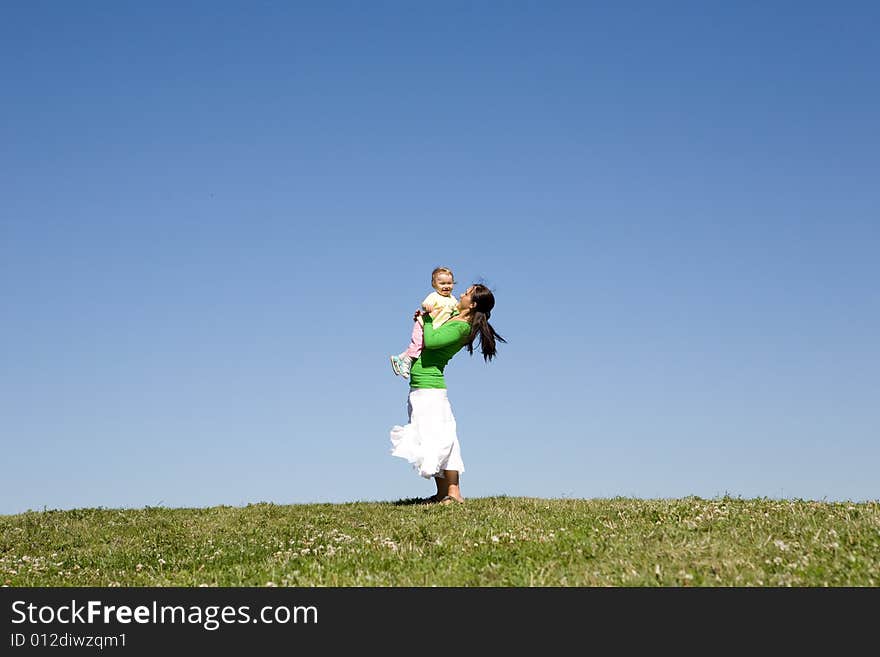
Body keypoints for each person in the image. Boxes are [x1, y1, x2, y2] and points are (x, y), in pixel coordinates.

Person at [389, 283, 505, 504]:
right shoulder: (456, 317)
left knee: (441, 438)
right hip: (422, 387)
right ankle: (443, 493)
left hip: (430, 389)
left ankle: (454, 493)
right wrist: (426, 316)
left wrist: (428, 320)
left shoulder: (462, 327)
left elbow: (431, 342)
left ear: (472, 304)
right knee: (431, 437)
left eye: (467, 293)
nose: (460, 294)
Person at [390, 267, 459, 379]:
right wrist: (427, 306)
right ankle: (406, 363)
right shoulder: (434, 296)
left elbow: (456, 311)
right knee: (417, 345)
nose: (446, 286)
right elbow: (425, 304)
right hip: (422, 325)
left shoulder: (453, 299)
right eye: (442, 283)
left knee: (418, 345)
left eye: (449, 283)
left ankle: (399, 358)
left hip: (432, 328)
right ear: (434, 285)